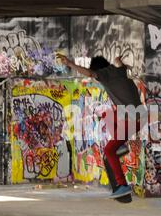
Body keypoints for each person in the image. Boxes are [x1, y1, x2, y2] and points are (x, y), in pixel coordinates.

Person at [57, 54, 144, 199]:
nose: (95, 79)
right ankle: (121, 146)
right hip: (139, 115)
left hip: (132, 119)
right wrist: (118, 61)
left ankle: (122, 185)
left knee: (109, 150)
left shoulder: (104, 74)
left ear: (98, 70)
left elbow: (89, 73)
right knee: (106, 114)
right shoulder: (118, 70)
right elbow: (118, 63)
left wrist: (70, 64)